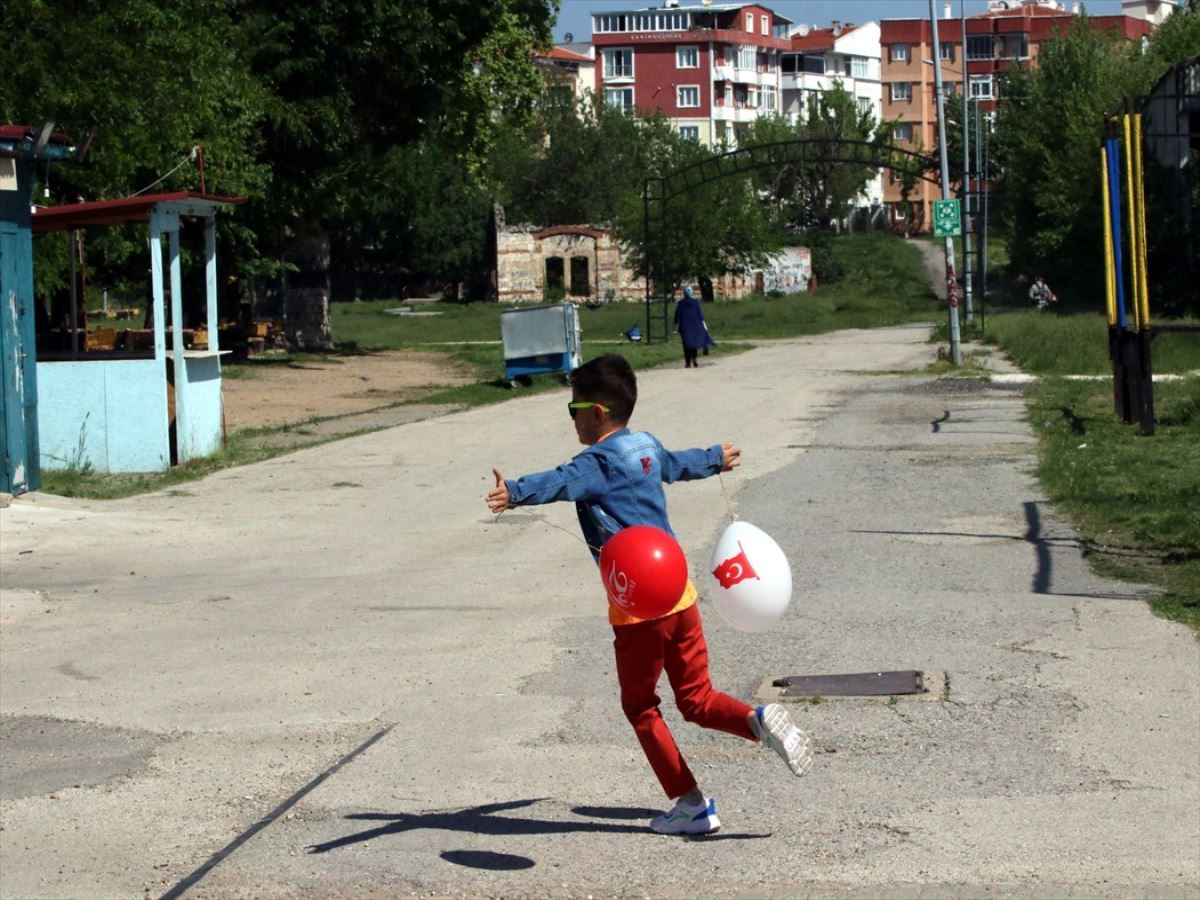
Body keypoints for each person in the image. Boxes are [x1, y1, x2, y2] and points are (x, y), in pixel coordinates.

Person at [486, 354, 812, 836]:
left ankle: (691, 804)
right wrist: (714, 458)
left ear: (596, 412)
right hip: (680, 595)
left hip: (638, 607)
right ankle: (757, 720)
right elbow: (678, 464)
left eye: (572, 408)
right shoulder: (644, 445)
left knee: (640, 707)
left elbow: (559, 481)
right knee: (696, 698)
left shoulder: (595, 462)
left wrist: (513, 491)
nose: (571, 418)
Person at [673, 285, 713, 368]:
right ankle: (694, 359)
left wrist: (675, 325)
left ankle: (688, 363)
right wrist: (704, 326)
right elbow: (700, 316)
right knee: (694, 342)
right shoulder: (696, 303)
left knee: (686, 344)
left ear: (684, 294)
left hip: (684, 326)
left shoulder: (681, 304)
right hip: (695, 325)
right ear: (691, 293)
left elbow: (677, 316)